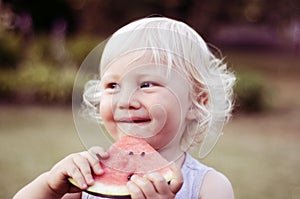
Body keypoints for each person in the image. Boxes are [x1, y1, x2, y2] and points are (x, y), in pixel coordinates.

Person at [14, 16, 235, 199]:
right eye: (113, 85)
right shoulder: (88, 178)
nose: (125, 100)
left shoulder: (209, 186)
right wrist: (50, 187)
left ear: (198, 101)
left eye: (146, 84)